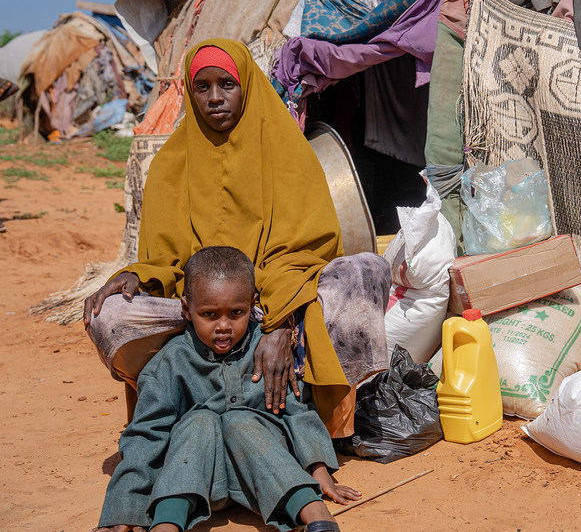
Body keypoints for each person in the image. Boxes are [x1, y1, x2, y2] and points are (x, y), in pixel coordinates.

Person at [83, 38, 390, 440]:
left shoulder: (289, 153)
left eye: (227, 85)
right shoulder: (170, 166)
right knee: (108, 313)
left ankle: (313, 419)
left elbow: (305, 250)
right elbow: (167, 260)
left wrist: (280, 325)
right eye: (202, 87)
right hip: (201, 316)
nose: (214, 98)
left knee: (365, 270)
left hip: (276, 305)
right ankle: (179, 405)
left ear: (247, 86)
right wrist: (139, 276)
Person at [95, 246, 349, 532]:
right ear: (186, 309)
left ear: (253, 304)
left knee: (239, 420)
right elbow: (146, 436)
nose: (224, 326)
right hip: (199, 480)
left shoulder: (267, 352)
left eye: (236, 313)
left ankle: (312, 509)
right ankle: (167, 524)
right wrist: (125, 506)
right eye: (210, 314)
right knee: (197, 421)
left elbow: (297, 410)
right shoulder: (169, 363)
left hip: (265, 477)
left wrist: (319, 469)